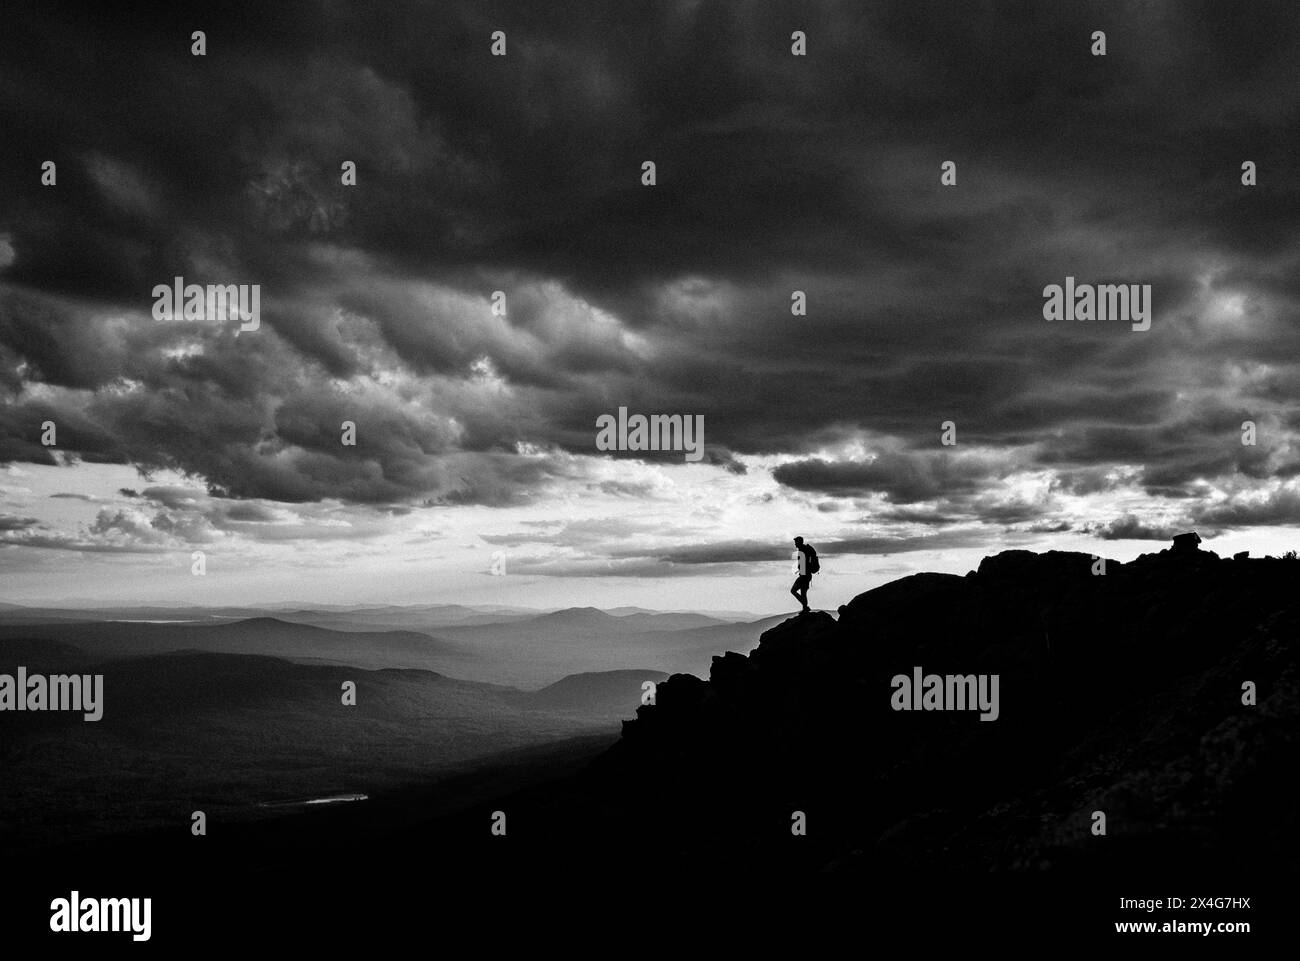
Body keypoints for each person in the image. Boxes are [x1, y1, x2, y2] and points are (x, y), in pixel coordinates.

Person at [790, 536, 818, 613]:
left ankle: (805, 607)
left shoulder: (802, 551)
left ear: (799, 542)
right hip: (807, 575)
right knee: (803, 592)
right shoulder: (804, 550)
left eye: (796, 543)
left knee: (793, 590)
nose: (795, 544)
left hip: (804, 576)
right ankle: (805, 607)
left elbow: (803, 564)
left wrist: (801, 572)